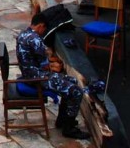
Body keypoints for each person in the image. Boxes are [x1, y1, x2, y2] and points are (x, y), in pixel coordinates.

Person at [16, 12, 92, 140]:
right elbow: (45, 65)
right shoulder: (35, 39)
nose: (43, 32)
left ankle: (63, 120)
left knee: (72, 80)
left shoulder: (23, 35)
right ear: (41, 26)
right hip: (38, 78)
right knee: (76, 91)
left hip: (30, 75)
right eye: (44, 29)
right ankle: (69, 128)